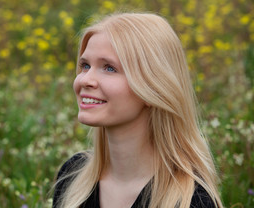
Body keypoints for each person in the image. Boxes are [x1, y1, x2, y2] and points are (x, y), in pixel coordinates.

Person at [52, 12, 223, 208]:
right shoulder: (72, 177)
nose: (84, 80)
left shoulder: (191, 202)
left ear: (153, 87)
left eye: (109, 68)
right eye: (85, 65)